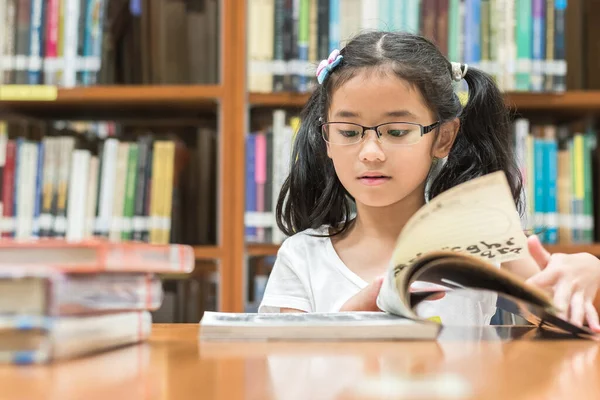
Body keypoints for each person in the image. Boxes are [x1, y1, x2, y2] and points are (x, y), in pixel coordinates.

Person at [258, 31, 600, 331]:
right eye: (348, 132)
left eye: (396, 132)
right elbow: (287, 368)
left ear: (443, 138)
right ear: (326, 138)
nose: (371, 153)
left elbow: (560, 318)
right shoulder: (302, 256)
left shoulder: (481, 240)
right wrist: (348, 321)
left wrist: (588, 274)